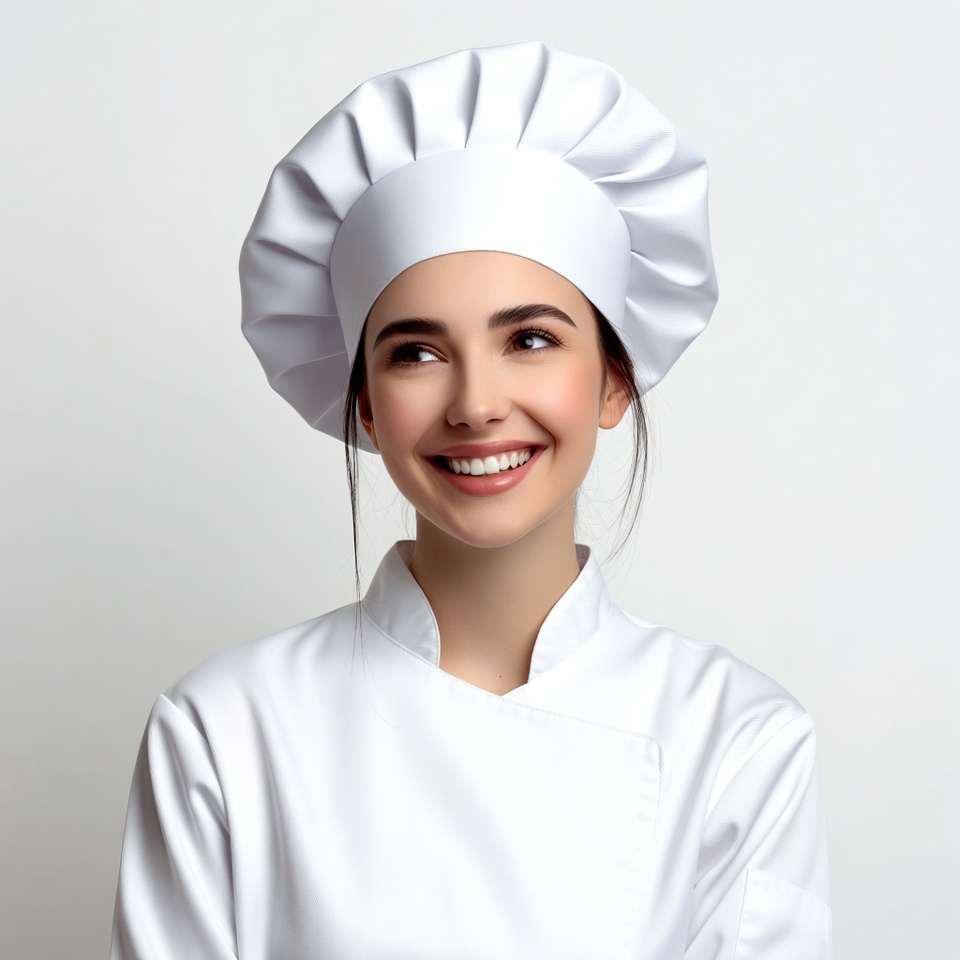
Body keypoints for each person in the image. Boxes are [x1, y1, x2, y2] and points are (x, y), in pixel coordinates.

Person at [111, 42, 833, 959]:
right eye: (416, 351)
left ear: (615, 380)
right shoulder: (222, 730)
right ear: (367, 406)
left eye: (530, 339)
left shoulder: (736, 738)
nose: (477, 403)